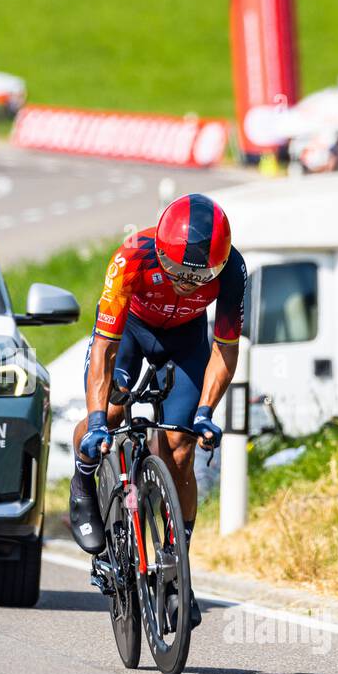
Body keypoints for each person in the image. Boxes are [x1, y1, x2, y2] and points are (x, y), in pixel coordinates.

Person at [69, 193, 246, 626]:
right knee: (109, 417)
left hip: (185, 340)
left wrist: (206, 410)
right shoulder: (132, 256)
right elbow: (104, 348)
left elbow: (224, 351)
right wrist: (95, 419)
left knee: (181, 445)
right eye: (175, 274)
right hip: (131, 329)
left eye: (196, 278)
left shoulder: (233, 270)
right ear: (161, 254)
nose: (186, 285)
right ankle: (84, 476)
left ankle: (174, 564)